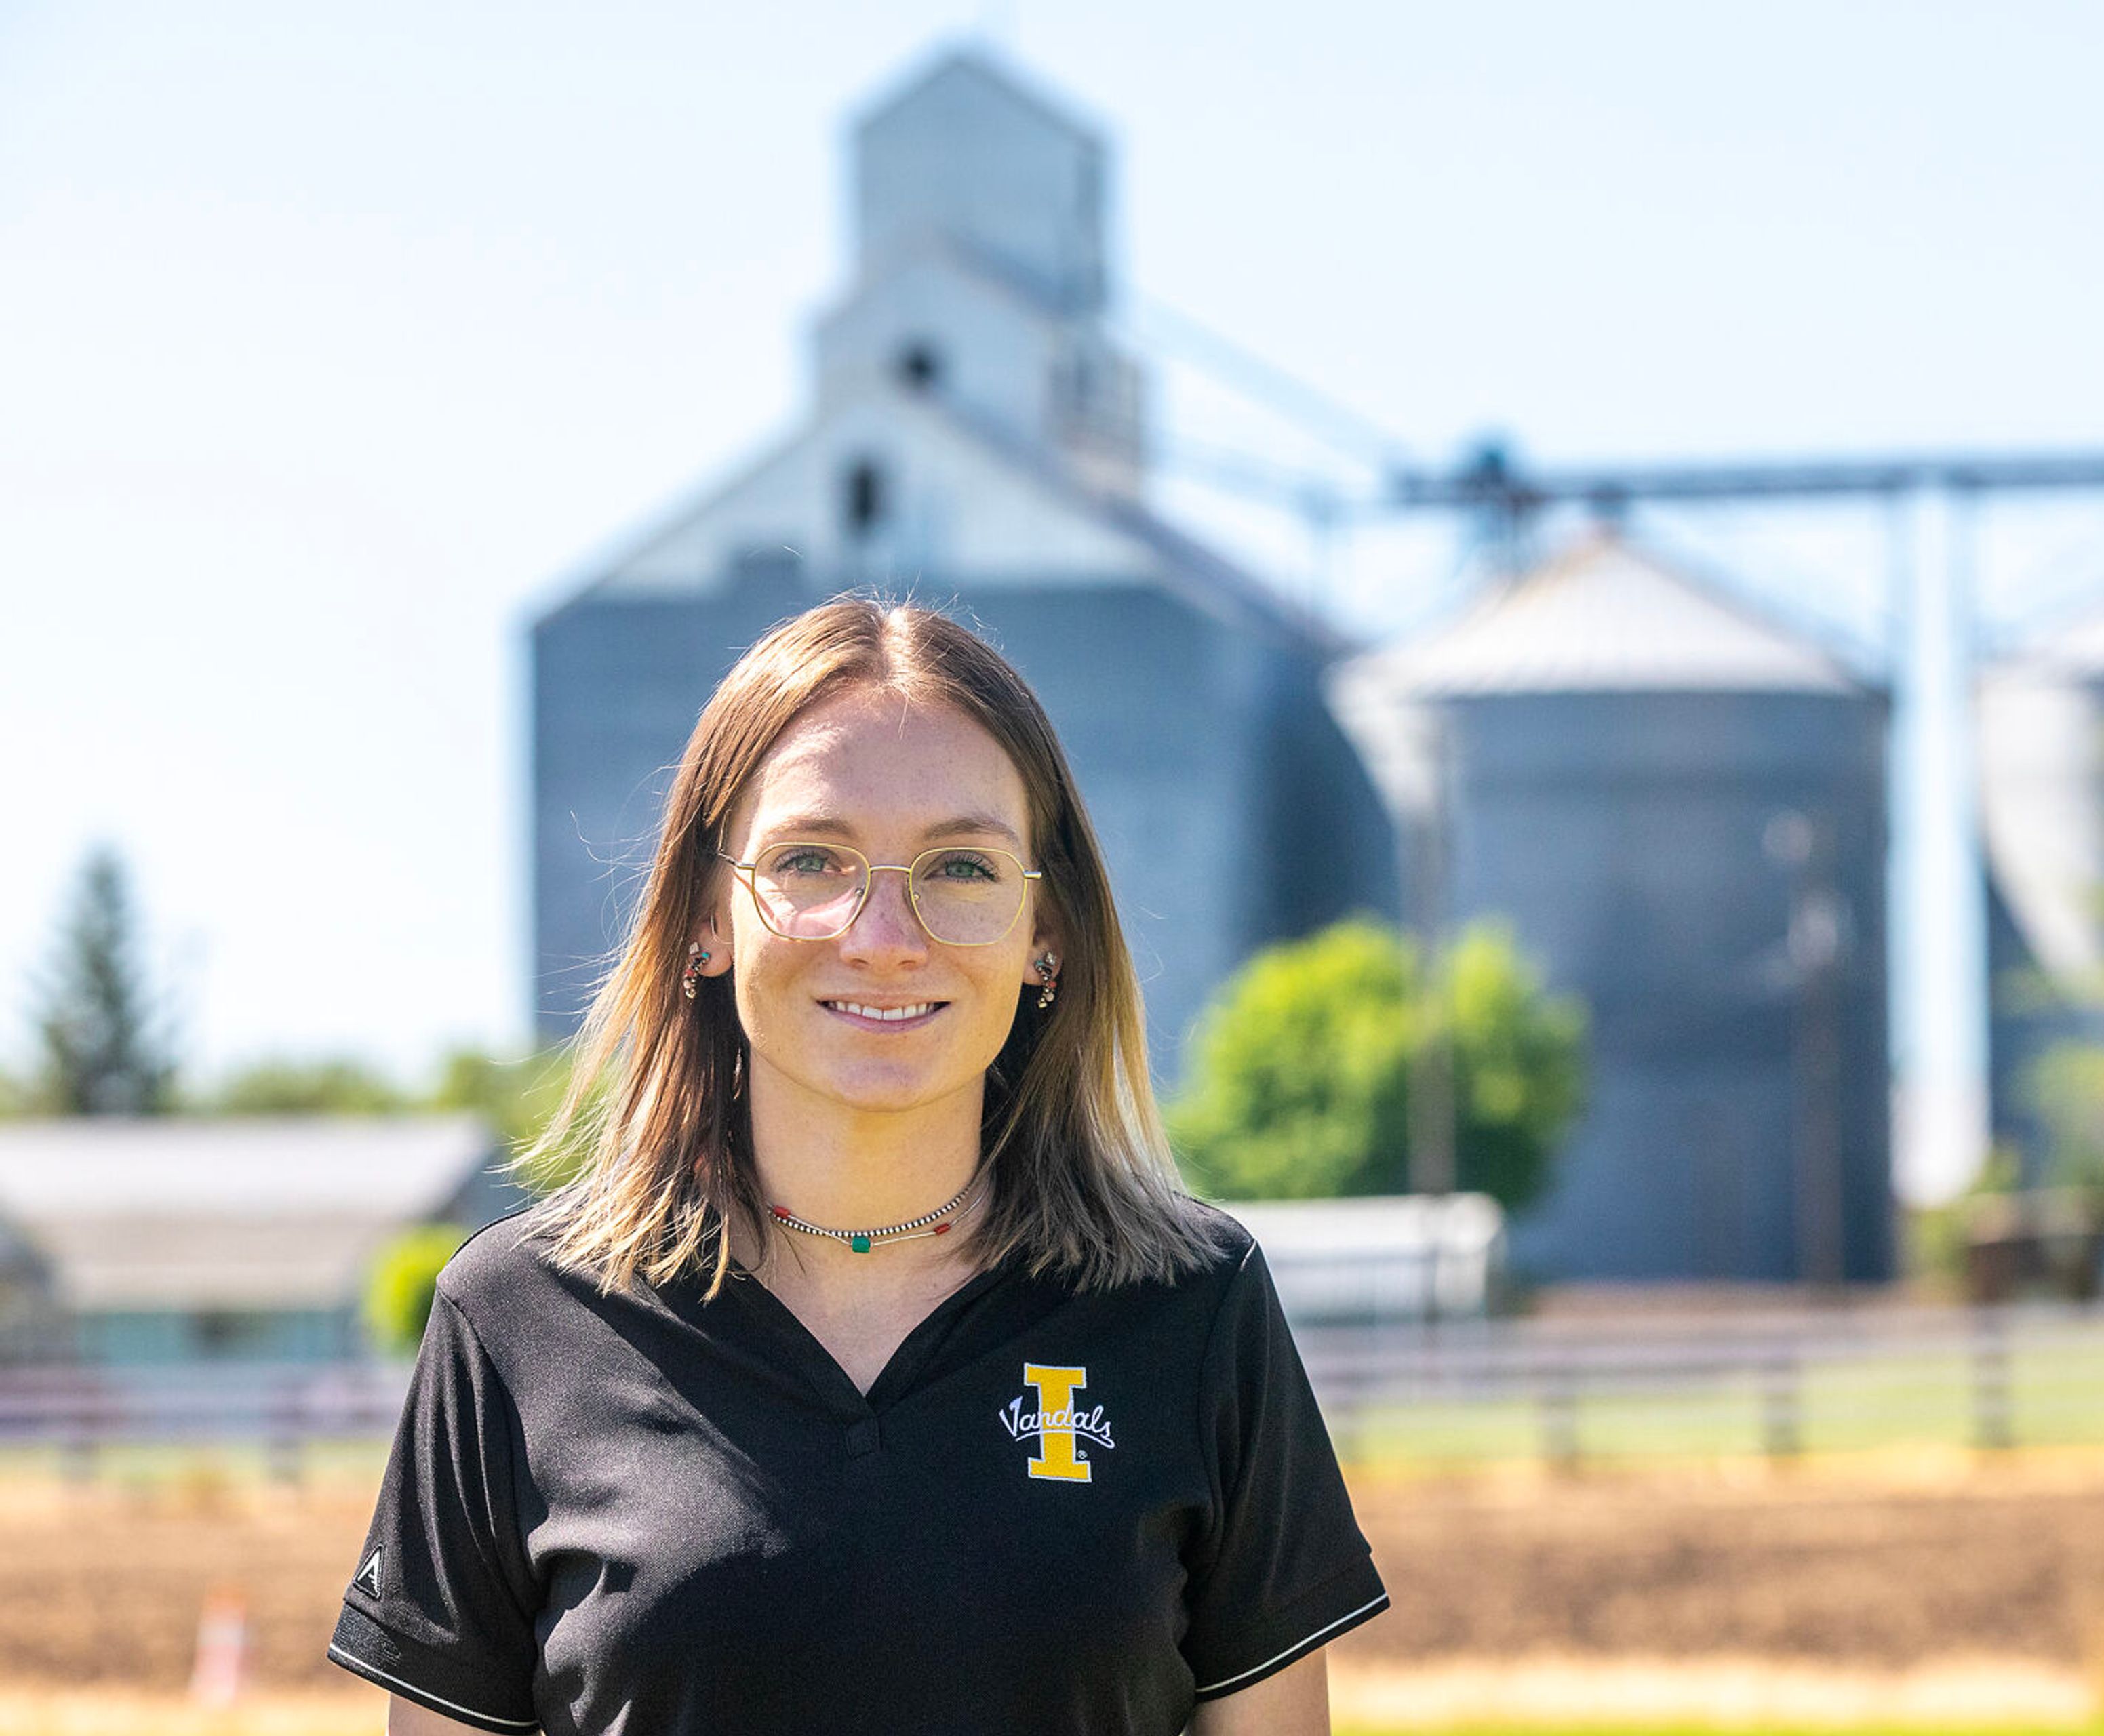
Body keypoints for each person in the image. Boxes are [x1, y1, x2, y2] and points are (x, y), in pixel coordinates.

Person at [329, 598, 1387, 1735]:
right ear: (705, 917)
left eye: (964, 866)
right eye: (812, 858)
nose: (883, 934)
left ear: (1050, 931)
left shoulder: (1192, 1307)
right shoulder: (513, 1322)